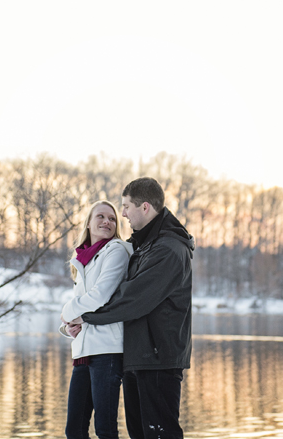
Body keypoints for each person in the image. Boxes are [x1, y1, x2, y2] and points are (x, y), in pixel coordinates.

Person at [72, 177, 194, 439]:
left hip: (158, 358)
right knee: (140, 433)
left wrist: (87, 317)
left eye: (126, 207)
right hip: (140, 355)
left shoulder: (168, 249)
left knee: (159, 433)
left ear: (145, 207)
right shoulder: (146, 245)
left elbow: (132, 299)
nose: (123, 213)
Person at [59, 200, 133, 439]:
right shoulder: (84, 259)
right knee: (75, 430)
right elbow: (84, 303)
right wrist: (68, 326)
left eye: (112, 219)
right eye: (100, 217)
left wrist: (66, 312)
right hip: (83, 352)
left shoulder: (116, 250)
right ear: (88, 223)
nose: (107, 222)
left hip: (107, 350)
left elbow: (100, 295)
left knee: (105, 429)